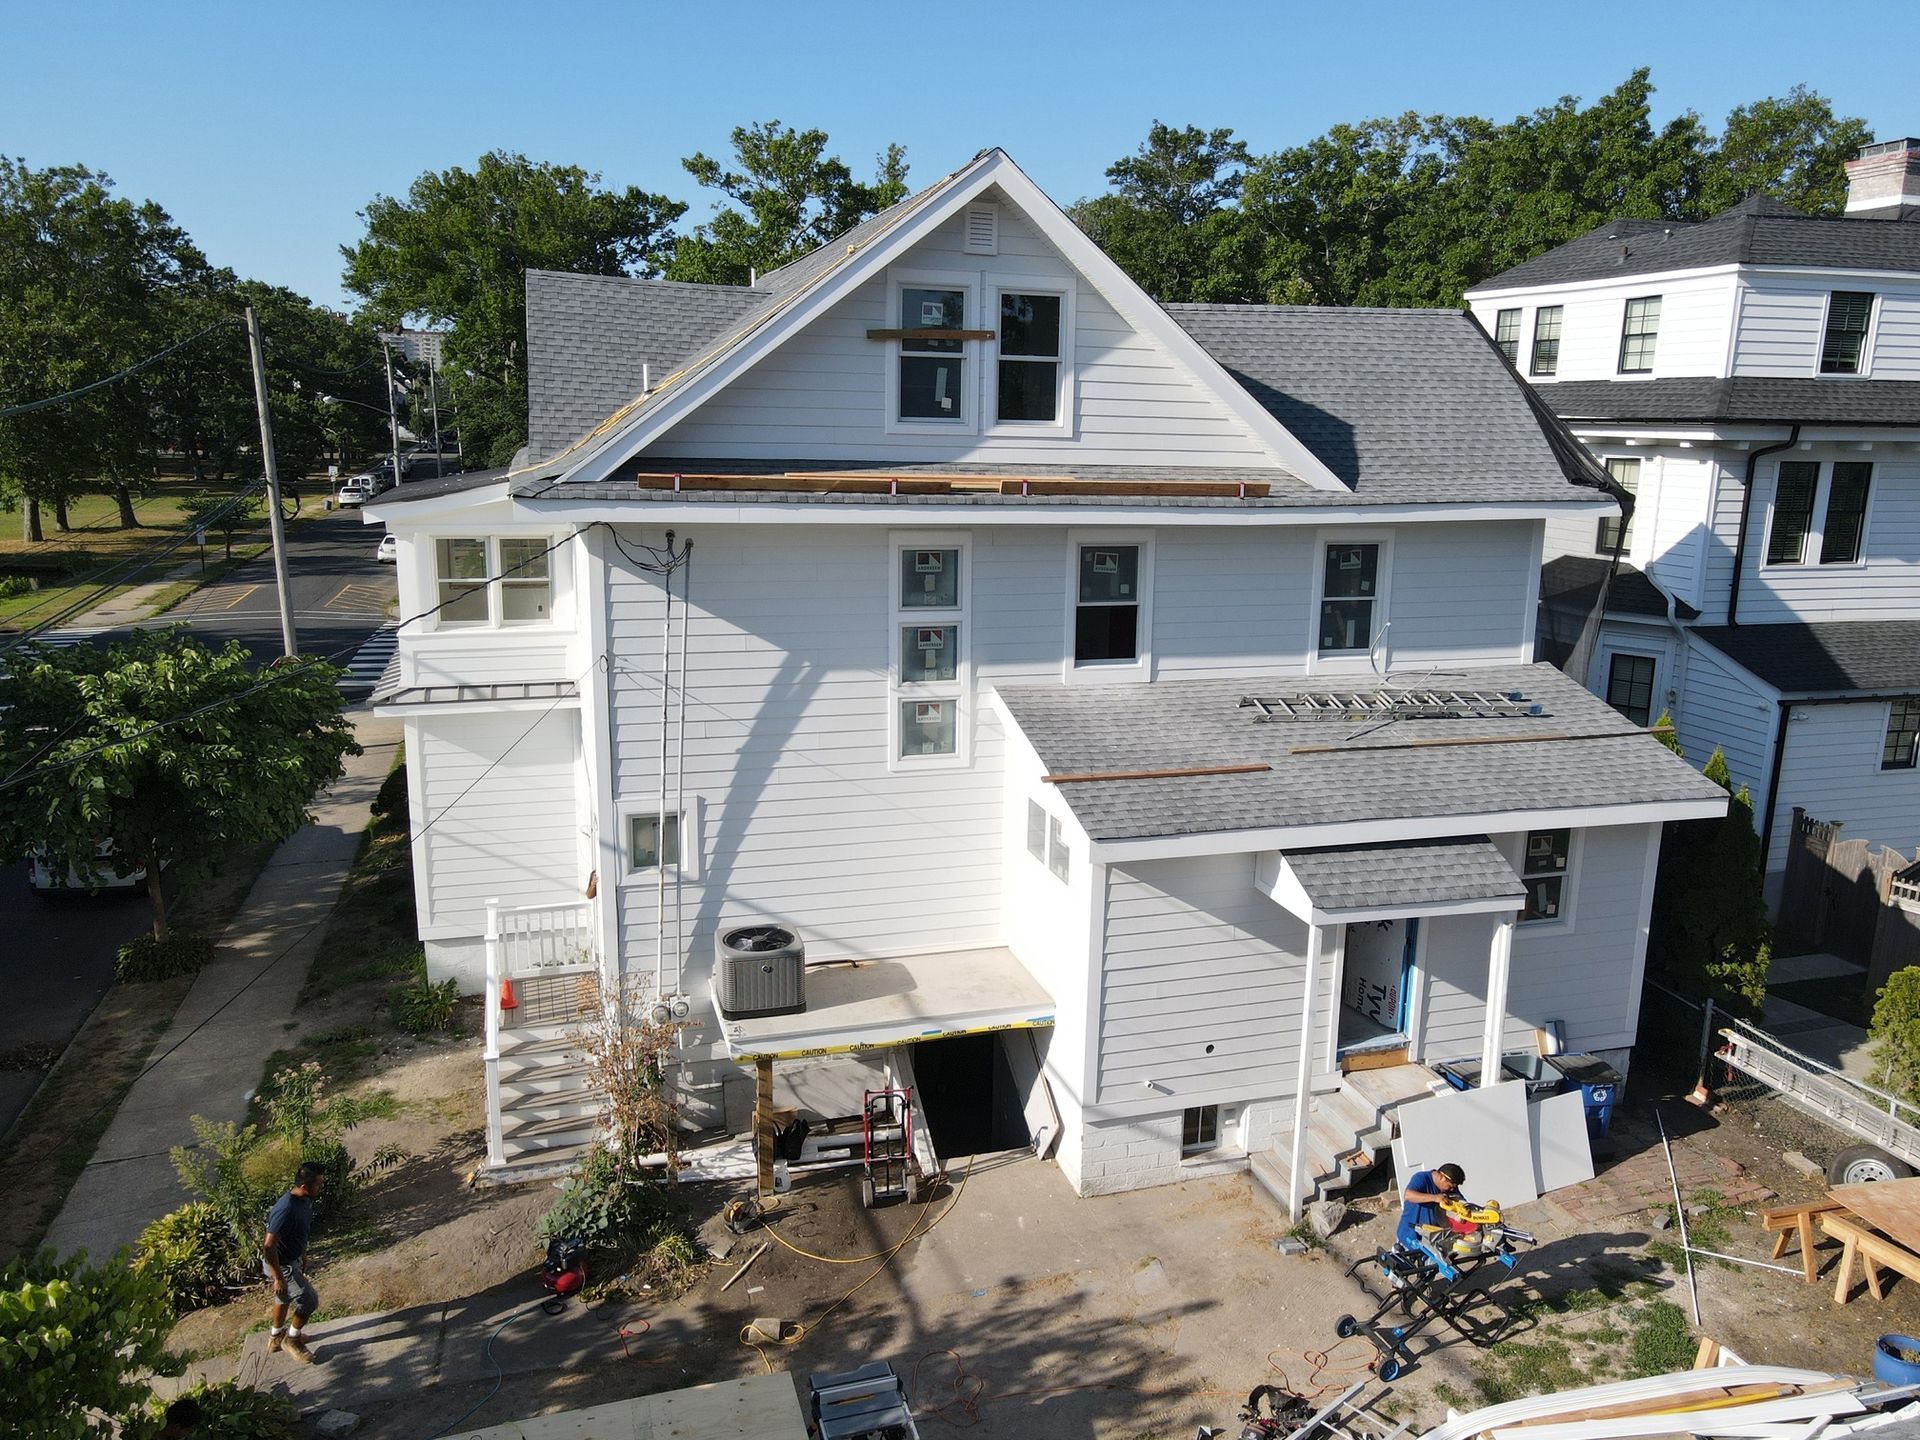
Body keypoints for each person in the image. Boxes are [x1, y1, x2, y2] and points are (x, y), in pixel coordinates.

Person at [262, 1161, 324, 1363]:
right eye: (318, 1184)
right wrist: (278, 1277)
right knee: (309, 1300)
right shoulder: (286, 1208)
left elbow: (300, 1230)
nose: (320, 1187)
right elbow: (269, 1246)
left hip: (292, 1259)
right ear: (305, 1186)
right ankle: (292, 1339)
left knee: (283, 1298)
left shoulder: (304, 1200)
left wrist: (303, 1253)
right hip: (282, 1265)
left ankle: (275, 1338)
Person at [1396, 1162, 1465, 1251]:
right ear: (1442, 1178)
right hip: (1409, 1237)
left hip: (1432, 1241)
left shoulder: (1451, 1189)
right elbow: (1408, 1195)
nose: (1451, 1189)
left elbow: (1460, 1201)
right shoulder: (1421, 1178)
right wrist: (1435, 1198)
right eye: (1450, 1186)